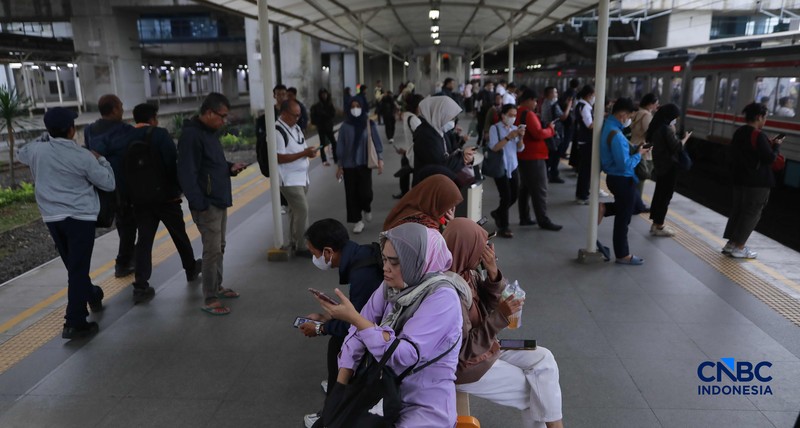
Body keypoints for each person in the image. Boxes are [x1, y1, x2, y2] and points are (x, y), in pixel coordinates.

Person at [313, 222, 464, 428]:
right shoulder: (392, 286)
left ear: (415, 262)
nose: (385, 268)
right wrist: (339, 392)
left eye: (394, 262)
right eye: (384, 259)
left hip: (422, 404)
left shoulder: (443, 298)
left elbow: (402, 356)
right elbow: (356, 334)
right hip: (383, 391)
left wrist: (355, 319)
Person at [443, 218, 564, 428]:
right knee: (536, 393)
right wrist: (501, 315)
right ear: (466, 248)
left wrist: (493, 273)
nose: (486, 250)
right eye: (480, 246)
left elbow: (488, 304)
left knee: (544, 358)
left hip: (486, 347)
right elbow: (463, 351)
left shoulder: (467, 272)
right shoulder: (449, 292)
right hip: (467, 367)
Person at [18, 107, 115, 338]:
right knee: (78, 269)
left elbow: (21, 152)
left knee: (75, 267)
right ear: (72, 130)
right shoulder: (82, 156)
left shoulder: (37, 150)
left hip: (52, 219)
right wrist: (102, 161)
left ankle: (91, 294)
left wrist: (43, 137)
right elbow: (109, 184)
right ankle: (75, 322)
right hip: (80, 219)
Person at [300, 219, 384, 428]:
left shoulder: (361, 274)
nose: (314, 258)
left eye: (314, 252)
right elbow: (358, 312)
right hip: (378, 327)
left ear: (328, 252)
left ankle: (332, 412)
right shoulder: (361, 255)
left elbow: (356, 324)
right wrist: (328, 316)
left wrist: (320, 328)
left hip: (379, 336)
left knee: (338, 344)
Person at [123, 103, 202, 303]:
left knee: (144, 240)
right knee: (179, 234)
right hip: (166, 197)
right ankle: (190, 268)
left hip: (140, 200)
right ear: (153, 118)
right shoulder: (159, 134)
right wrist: (177, 189)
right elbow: (172, 162)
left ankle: (140, 285)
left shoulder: (125, 137)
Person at [177, 93, 247, 315]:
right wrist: (200, 203)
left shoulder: (208, 133)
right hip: (207, 204)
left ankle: (217, 286)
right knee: (212, 250)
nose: (224, 121)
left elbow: (211, 164)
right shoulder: (191, 136)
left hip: (218, 199)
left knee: (220, 247)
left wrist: (229, 167)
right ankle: (209, 297)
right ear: (209, 112)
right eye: (222, 116)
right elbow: (187, 173)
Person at [722, 102, 784, 259]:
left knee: (738, 210)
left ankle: (730, 244)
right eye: (765, 118)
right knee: (751, 213)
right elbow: (770, 158)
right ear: (758, 117)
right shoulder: (758, 135)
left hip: (740, 179)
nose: (765, 121)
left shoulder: (739, 132)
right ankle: (739, 247)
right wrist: (776, 146)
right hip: (757, 182)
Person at [84, 94, 136, 277]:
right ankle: (123, 263)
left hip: (100, 185)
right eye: (120, 106)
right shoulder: (125, 131)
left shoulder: (89, 130)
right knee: (128, 224)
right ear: (114, 109)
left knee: (122, 223)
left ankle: (130, 257)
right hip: (122, 185)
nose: (122, 109)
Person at [598, 98, 649, 265]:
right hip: (621, 179)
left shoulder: (609, 127)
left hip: (618, 179)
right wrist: (639, 155)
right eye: (631, 117)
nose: (630, 120)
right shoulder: (617, 136)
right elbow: (624, 164)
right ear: (622, 114)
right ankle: (622, 255)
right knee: (623, 219)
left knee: (637, 206)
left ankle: (605, 208)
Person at [516, 89, 563, 232]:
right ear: (529, 100)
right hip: (534, 156)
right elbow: (538, 133)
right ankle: (543, 220)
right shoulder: (528, 114)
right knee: (539, 189)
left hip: (523, 155)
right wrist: (550, 129)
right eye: (535, 101)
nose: (536, 104)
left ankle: (524, 217)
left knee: (525, 188)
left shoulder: (518, 112)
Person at [276, 99, 318, 255]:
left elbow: (302, 148)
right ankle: (302, 245)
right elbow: (279, 157)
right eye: (295, 115)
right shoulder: (277, 131)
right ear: (285, 114)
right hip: (288, 179)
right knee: (302, 210)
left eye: (299, 115)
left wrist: (308, 152)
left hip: (302, 177)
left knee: (295, 212)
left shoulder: (296, 128)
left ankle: (293, 240)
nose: (298, 118)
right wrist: (304, 153)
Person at [336, 97, 384, 234]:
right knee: (351, 194)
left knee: (366, 193)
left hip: (364, 163)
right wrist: (340, 166)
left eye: (358, 105)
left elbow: (377, 143)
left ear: (362, 107)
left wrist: (380, 160)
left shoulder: (369, 123)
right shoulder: (345, 127)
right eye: (352, 106)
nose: (355, 108)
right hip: (348, 165)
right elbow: (340, 146)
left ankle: (367, 207)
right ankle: (357, 221)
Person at [647, 103, 691, 237]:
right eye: (675, 117)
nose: (676, 120)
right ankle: (659, 225)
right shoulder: (665, 129)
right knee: (665, 196)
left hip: (660, 166)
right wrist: (685, 139)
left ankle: (655, 224)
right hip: (669, 167)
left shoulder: (657, 126)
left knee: (659, 194)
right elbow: (676, 147)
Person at [487, 104, 525, 238]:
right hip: (500, 167)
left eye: (515, 115)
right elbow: (494, 147)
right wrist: (508, 137)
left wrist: (520, 137)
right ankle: (504, 226)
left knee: (514, 194)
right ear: (503, 115)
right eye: (510, 115)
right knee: (506, 196)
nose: (513, 118)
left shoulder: (515, 129)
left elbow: (520, 149)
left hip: (513, 166)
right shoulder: (495, 128)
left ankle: (498, 213)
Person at [413, 96, 475, 176]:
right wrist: (462, 158)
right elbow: (442, 167)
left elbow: (451, 151)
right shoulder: (425, 137)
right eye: (450, 118)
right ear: (438, 115)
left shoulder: (439, 131)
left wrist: (463, 154)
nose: (452, 122)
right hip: (430, 185)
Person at [383, 174, 463, 232]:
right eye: (447, 206)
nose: (448, 210)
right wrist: (450, 229)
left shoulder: (413, 204)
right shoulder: (424, 224)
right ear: (436, 200)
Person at [540, 86, 572, 184]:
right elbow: (563, 117)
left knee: (550, 154)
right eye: (555, 92)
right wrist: (569, 106)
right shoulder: (553, 104)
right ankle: (553, 174)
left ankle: (547, 173)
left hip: (548, 131)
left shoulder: (544, 103)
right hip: (554, 133)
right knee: (555, 154)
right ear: (550, 94)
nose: (556, 94)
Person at [630, 93, 659, 199]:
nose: (657, 106)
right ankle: (637, 202)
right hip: (643, 149)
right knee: (641, 176)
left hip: (634, 145)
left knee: (635, 176)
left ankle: (633, 199)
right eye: (656, 104)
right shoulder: (646, 115)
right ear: (649, 104)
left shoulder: (638, 112)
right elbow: (650, 133)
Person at [395, 94, 424, 199]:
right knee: (417, 177)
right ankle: (411, 198)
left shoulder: (408, 116)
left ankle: (405, 194)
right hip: (415, 153)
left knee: (406, 173)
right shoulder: (413, 119)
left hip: (409, 151)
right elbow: (421, 135)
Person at [574, 85, 596, 205]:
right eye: (593, 95)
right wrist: (600, 120)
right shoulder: (585, 107)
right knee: (586, 170)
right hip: (586, 141)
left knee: (584, 169)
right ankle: (582, 195)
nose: (594, 98)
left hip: (583, 140)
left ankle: (582, 193)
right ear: (588, 95)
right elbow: (590, 125)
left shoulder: (581, 105)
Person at [310, 88, 337, 166]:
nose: (324, 96)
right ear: (320, 95)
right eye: (322, 94)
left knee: (334, 142)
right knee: (322, 144)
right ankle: (324, 159)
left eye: (325, 94)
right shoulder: (317, 106)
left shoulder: (329, 104)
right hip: (321, 127)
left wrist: (325, 115)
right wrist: (323, 117)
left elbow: (333, 114)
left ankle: (336, 158)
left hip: (329, 127)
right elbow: (315, 119)